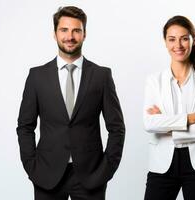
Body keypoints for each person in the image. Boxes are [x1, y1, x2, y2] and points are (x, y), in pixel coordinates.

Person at [16, 6, 125, 200]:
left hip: (91, 176)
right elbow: (25, 126)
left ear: (84, 34)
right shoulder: (37, 76)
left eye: (76, 30)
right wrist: (31, 165)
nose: (70, 36)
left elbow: (116, 128)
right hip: (46, 175)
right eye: (64, 30)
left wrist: (107, 168)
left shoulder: (101, 76)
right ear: (55, 33)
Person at [143, 15, 195, 200]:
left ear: (193, 41)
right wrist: (190, 119)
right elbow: (149, 123)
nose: (178, 45)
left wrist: (171, 129)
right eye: (172, 39)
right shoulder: (154, 81)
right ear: (165, 42)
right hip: (162, 164)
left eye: (184, 38)